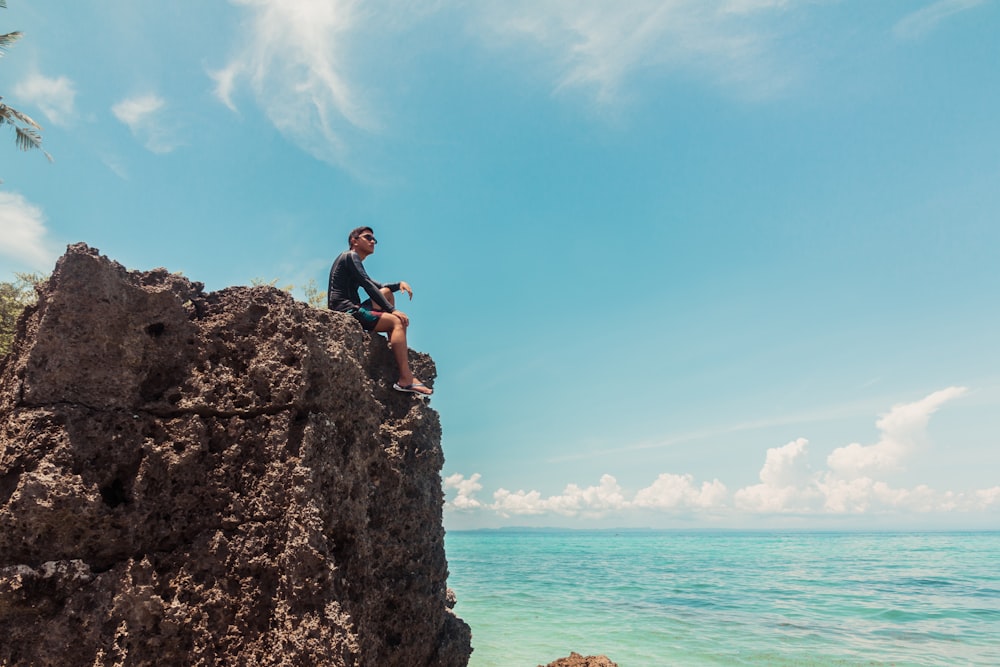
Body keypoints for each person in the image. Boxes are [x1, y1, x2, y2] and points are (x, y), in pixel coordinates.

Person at [327, 226, 433, 396]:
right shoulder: (349, 256)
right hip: (345, 311)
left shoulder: (354, 261)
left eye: (374, 239)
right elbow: (367, 285)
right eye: (368, 237)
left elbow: (377, 286)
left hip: (355, 308)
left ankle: (395, 345)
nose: (372, 242)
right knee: (396, 321)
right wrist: (393, 310)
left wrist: (398, 285)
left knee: (387, 293)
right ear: (354, 241)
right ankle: (406, 379)